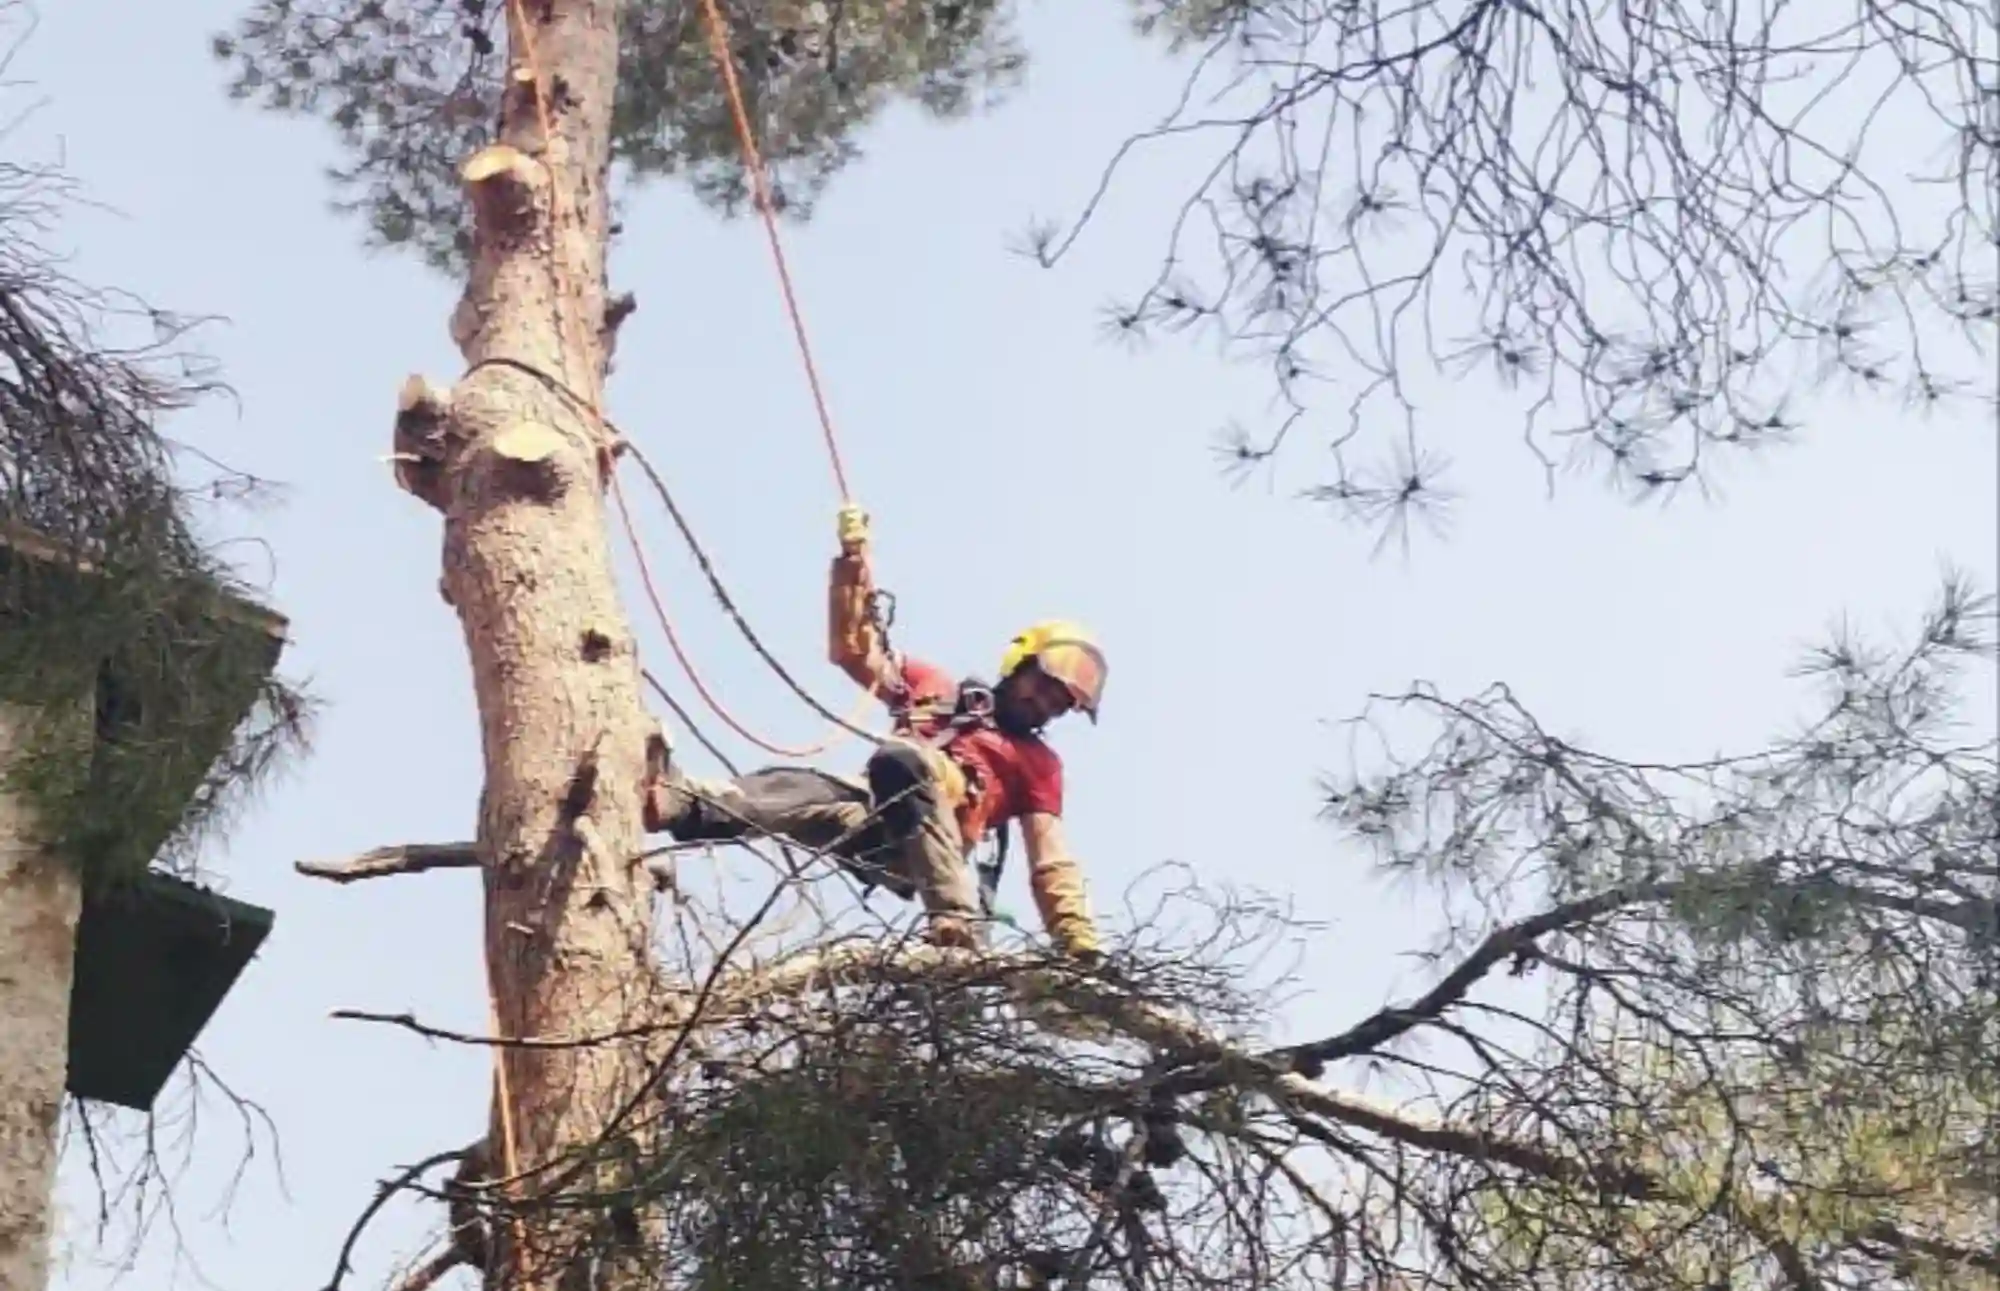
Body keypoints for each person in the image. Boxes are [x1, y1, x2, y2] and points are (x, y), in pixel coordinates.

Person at [641, 503, 1105, 958]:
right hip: (870, 820)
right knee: (791, 786)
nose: (1042, 705)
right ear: (1018, 665)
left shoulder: (1037, 764)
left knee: (902, 761)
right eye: (1041, 688)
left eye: (1057, 705)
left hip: (931, 846)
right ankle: (677, 803)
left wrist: (1075, 938)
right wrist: (851, 565)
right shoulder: (937, 691)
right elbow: (853, 652)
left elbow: (1051, 858)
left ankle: (954, 919)